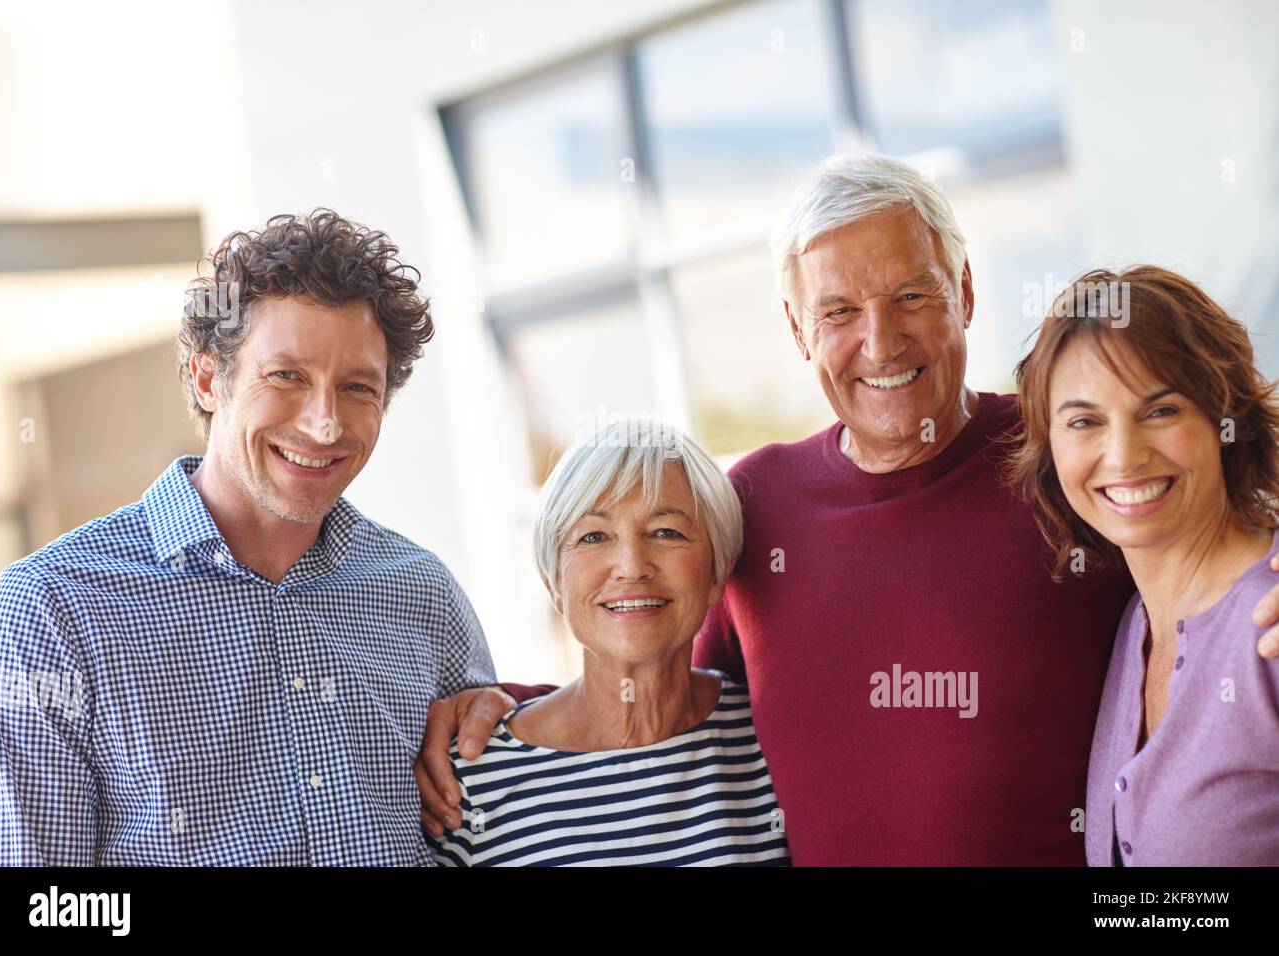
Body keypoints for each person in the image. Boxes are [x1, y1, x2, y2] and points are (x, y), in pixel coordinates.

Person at [416, 153, 1279, 866]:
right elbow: (658, 680)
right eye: (837, 311)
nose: (880, 341)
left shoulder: (1058, 454)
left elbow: (1208, 513)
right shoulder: (755, 506)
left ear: (965, 291)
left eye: (912, 295)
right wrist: (508, 705)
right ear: (797, 328)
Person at [0, 210, 497, 866]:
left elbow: (488, 829)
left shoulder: (423, 594)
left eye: (357, 387)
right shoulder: (50, 608)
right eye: (286, 376)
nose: (324, 424)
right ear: (206, 379)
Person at [1011, 265, 1279, 866]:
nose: (1125, 456)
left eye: (1160, 411)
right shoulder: (1132, 624)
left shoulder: (1270, 629)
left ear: (1223, 421)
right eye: (1085, 421)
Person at [432, 421, 788, 866]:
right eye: (593, 537)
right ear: (553, 583)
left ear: (718, 572)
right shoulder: (467, 781)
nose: (631, 566)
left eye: (666, 532)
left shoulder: (776, 735)